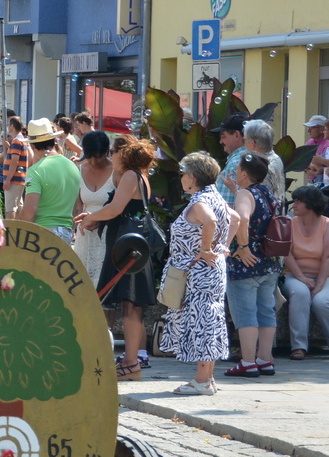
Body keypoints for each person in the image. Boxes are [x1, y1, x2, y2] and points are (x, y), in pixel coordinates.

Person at [75, 135, 157, 381]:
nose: (110, 156)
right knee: (130, 306)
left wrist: (91, 217)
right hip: (131, 247)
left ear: (124, 155)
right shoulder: (138, 175)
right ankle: (131, 363)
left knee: (132, 306)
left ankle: (131, 363)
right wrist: (93, 219)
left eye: (114, 152)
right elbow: (118, 211)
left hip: (130, 249)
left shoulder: (132, 175)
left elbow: (116, 208)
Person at [165, 152, 232, 396]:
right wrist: (223, 245)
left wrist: (206, 248)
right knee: (209, 320)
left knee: (203, 321)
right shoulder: (215, 196)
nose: (181, 178)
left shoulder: (199, 202)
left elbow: (211, 220)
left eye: (183, 173)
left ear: (192, 177)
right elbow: (234, 218)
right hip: (211, 270)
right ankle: (207, 378)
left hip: (199, 272)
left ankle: (202, 381)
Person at [223, 153, 281, 378]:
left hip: (245, 264)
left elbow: (243, 218)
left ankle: (247, 362)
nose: (235, 171)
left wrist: (244, 246)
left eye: (238, 169)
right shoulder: (265, 192)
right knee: (266, 312)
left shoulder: (245, 194)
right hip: (268, 263)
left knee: (245, 313)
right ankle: (264, 359)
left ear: (245, 174)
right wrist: (236, 190)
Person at [282, 185, 329, 361]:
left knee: (322, 300)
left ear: (310, 204)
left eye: (298, 201)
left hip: (325, 275)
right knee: (299, 292)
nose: (294, 204)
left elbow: (328, 257)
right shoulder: (290, 223)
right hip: (295, 274)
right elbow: (286, 254)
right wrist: (301, 277)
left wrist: (319, 284)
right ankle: (299, 347)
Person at [21, 118, 80, 241]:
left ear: (32, 145)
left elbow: (30, 212)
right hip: (66, 232)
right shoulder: (72, 166)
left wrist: (21, 236)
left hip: (42, 233)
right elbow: (78, 206)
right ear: (54, 141)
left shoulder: (35, 170)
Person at [71, 131, 114, 285]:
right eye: (90, 156)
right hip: (85, 233)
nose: (94, 161)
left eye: (98, 156)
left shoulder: (117, 171)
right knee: (83, 282)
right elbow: (77, 208)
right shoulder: (79, 169)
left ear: (107, 152)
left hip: (108, 232)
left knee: (103, 283)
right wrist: (72, 230)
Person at [0, 115, 31, 217]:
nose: (8, 127)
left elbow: (15, 162)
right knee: (18, 207)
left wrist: (7, 180)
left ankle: (10, 231)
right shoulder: (21, 140)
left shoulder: (16, 141)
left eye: (8, 125)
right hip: (20, 178)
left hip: (14, 179)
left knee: (10, 209)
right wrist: (10, 147)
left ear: (12, 126)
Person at [215, 114, 247, 202]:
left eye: (223, 136)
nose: (221, 142)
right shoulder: (254, 158)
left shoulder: (235, 163)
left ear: (237, 135)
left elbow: (226, 204)